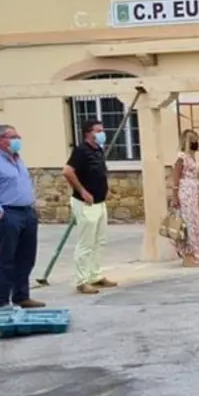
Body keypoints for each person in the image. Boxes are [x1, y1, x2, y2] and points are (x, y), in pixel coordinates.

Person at [0, 124, 45, 309]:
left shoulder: (17, 159)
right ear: (1, 140)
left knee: (26, 257)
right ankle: (0, 301)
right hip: (8, 213)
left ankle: (21, 296)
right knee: (7, 259)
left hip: (27, 212)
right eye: (13, 136)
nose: (18, 139)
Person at [62, 119, 116, 295]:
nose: (102, 133)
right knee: (86, 242)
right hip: (86, 203)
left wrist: (106, 189)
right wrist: (82, 191)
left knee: (99, 241)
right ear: (88, 133)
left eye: (102, 129)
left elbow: (100, 172)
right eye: (98, 130)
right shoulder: (81, 151)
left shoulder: (98, 150)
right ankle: (82, 280)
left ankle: (95, 275)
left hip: (100, 202)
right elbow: (67, 171)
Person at [171, 129, 199, 267]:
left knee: (194, 222)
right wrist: (174, 196)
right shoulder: (181, 158)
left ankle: (193, 253)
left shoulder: (192, 157)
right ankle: (186, 254)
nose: (197, 144)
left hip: (192, 191)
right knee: (187, 223)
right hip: (184, 192)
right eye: (194, 141)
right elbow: (175, 177)